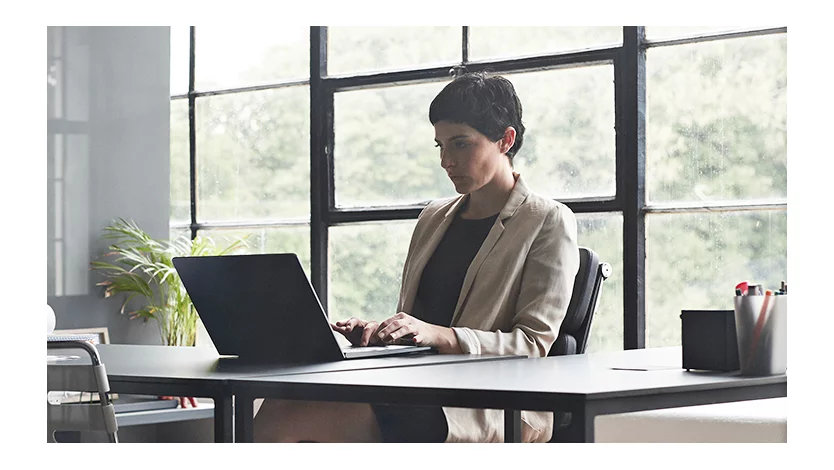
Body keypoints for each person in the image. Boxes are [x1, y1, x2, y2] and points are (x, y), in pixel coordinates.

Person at [254, 71, 579, 443]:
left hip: (485, 402)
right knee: (282, 400)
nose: (445, 161)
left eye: (460, 144)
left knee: (299, 416)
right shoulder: (433, 217)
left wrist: (440, 335)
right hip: (412, 383)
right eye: (440, 146)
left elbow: (532, 344)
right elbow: (420, 324)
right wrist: (380, 334)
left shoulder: (547, 219)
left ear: (505, 140)